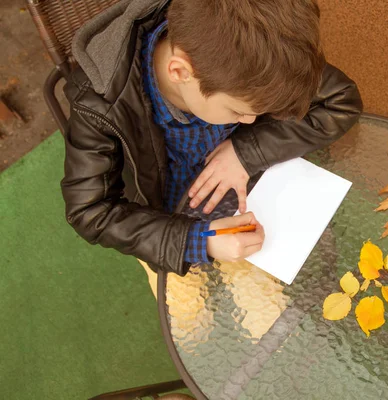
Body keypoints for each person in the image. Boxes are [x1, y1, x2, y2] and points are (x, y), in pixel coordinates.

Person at [61, 0, 363, 295]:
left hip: (250, 192)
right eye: (237, 112)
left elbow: (340, 101)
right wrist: (199, 241)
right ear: (179, 72)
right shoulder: (99, 104)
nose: (250, 121)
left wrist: (246, 151)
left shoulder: (260, 51)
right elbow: (91, 211)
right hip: (162, 222)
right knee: (191, 316)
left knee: (271, 298)